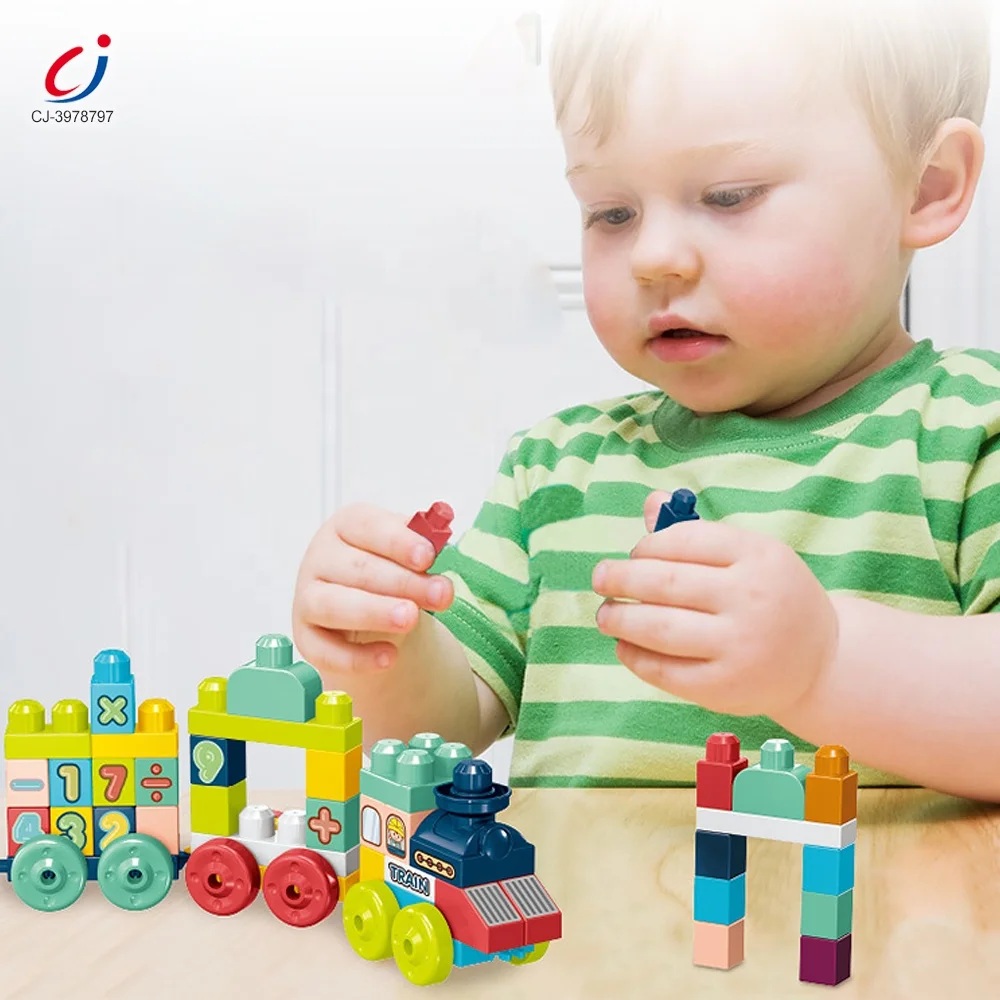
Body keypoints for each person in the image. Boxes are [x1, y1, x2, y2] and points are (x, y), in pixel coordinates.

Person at [293, 0, 1000, 801]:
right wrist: (382, 642)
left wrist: (825, 662)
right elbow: (441, 728)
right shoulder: (556, 470)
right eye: (612, 212)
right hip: (572, 891)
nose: (653, 256)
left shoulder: (969, 434)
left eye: (729, 196)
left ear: (927, 187)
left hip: (862, 891)